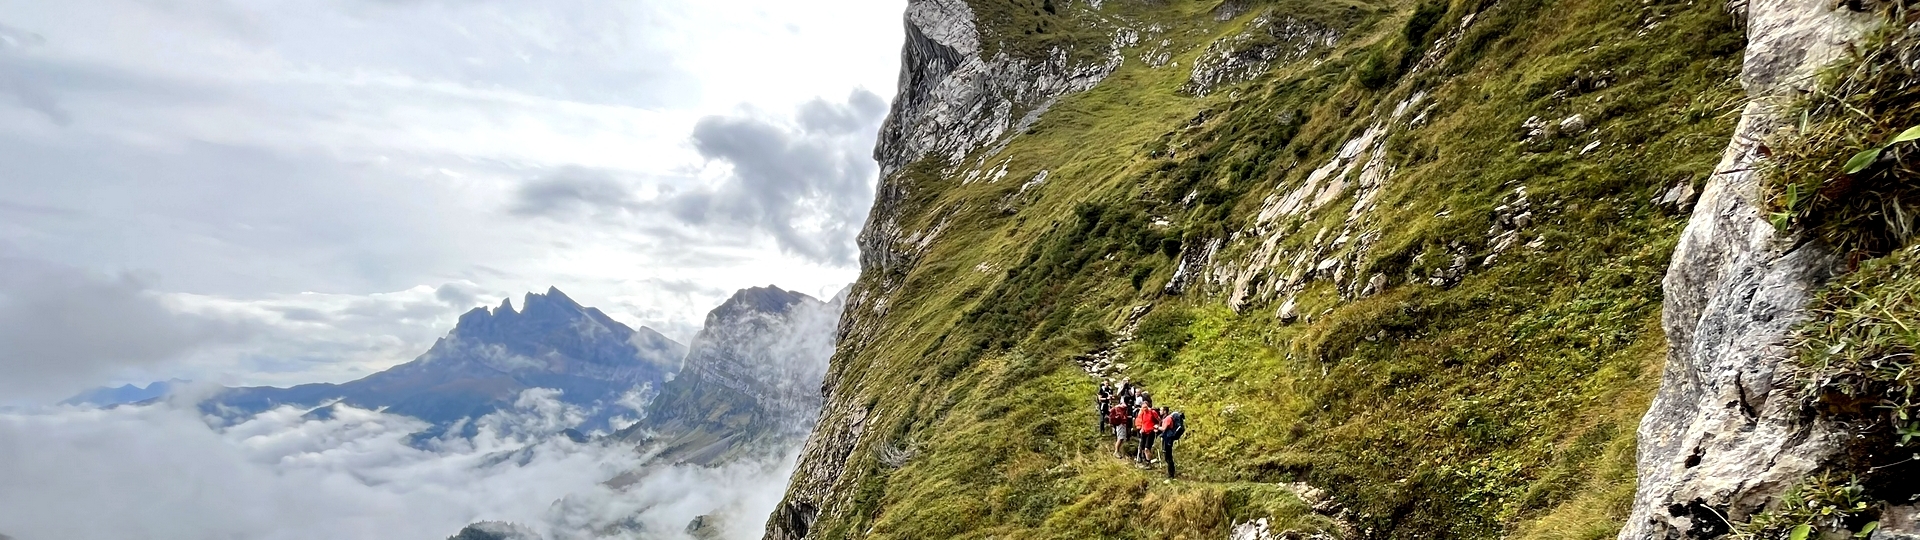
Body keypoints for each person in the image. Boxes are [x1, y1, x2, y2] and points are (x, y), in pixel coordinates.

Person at [1159, 407, 1184, 479]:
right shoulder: (1168, 418)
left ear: (1165, 411)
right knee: (1168, 456)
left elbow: (1164, 428)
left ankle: (1171, 475)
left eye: (1161, 410)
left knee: (1168, 457)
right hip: (1169, 438)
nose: (1160, 411)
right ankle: (1171, 474)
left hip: (1168, 439)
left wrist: (1157, 427)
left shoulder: (1167, 418)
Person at [1134, 397, 1159, 464]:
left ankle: (1148, 463)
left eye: (1145, 407)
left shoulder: (1152, 412)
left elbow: (1159, 420)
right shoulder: (1141, 413)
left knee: (1147, 448)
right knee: (1142, 448)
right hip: (1144, 431)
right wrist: (1141, 428)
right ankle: (1143, 459)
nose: (1144, 409)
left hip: (1151, 431)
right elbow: (1141, 421)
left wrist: (1157, 427)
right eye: (1143, 407)